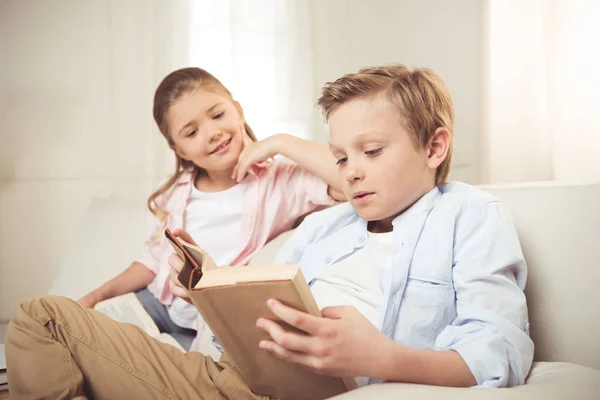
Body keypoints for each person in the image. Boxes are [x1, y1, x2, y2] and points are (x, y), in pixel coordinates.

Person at [5, 65, 533, 399]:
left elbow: (499, 352)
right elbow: (238, 325)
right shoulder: (324, 228)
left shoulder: (469, 215)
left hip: (295, 387)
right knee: (40, 318)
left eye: (371, 152)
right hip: (232, 375)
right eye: (341, 156)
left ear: (435, 148)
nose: (350, 170)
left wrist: (381, 358)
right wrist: (213, 291)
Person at [77, 67, 344, 350]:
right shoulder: (173, 195)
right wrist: (96, 296)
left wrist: (280, 142)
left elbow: (348, 178)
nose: (213, 133)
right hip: (155, 306)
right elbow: (151, 262)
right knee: (62, 330)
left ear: (238, 111)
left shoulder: (281, 182)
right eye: (192, 132)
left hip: (203, 329)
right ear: (179, 150)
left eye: (218, 115)